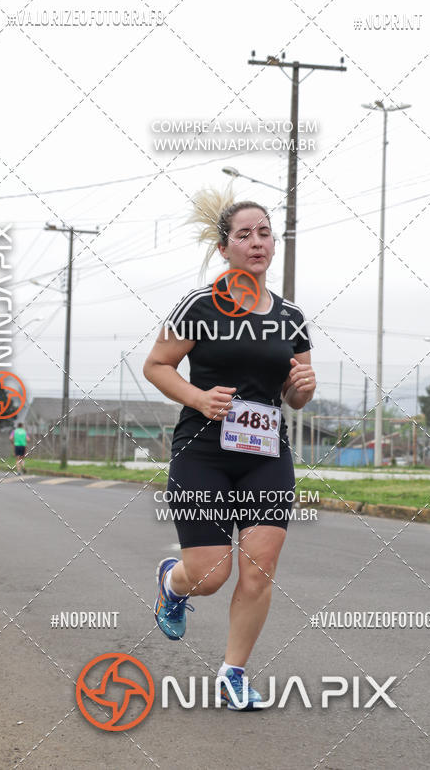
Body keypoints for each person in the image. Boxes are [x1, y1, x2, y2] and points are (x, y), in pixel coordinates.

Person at [143, 186, 316, 710]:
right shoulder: (201, 305)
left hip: (266, 453)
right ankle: (174, 584)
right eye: (245, 234)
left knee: (259, 567)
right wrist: (199, 397)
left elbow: (296, 392)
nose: (257, 242)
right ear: (225, 248)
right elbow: (156, 365)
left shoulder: (290, 316)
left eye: (265, 233)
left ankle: (233, 672)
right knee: (212, 575)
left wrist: (301, 392)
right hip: (203, 451)